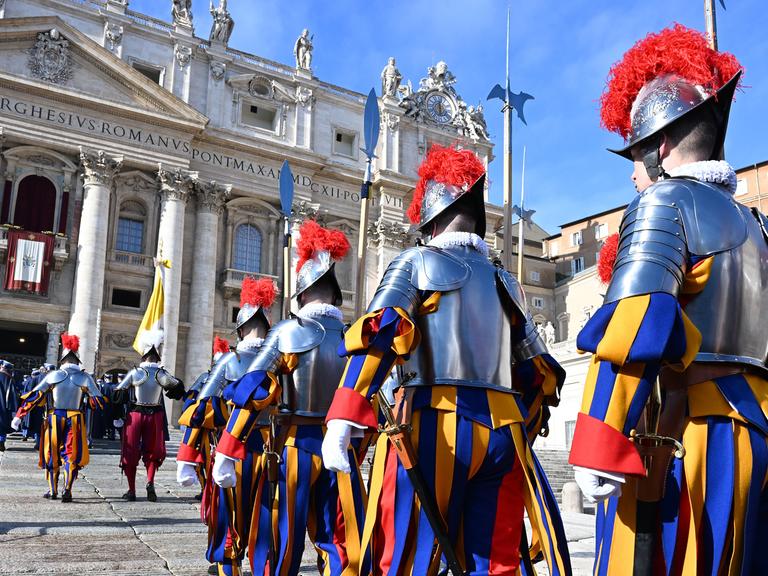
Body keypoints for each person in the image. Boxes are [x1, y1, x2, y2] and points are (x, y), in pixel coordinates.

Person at [568, 24, 767, 575]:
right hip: (759, 431)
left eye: (635, 155)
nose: (633, 174)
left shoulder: (665, 201)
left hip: (694, 437)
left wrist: (601, 435)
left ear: (659, 147)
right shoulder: (759, 226)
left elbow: (638, 323)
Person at [321, 145, 570, 575]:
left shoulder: (415, 261)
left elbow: (381, 334)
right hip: (503, 432)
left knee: (407, 555)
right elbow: (536, 372)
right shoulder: (505, 280)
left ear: (431, 219)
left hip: (432, 423)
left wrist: (344, 415)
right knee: (495, 564)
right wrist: (520, 430)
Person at [212, 221, 368, 576]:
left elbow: (253, 395)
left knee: (283, 538)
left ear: (300, 293)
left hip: (295, 445)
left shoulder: (287, 332)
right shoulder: (352, 337)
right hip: (340, 447)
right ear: (335, 293)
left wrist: (227, 446)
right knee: (338, 540)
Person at [177, 277, 275, 576]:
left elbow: (201, 411)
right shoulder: (280, 360)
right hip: (275, 453)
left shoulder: (229, 361)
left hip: (231, 452)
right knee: (266, 526)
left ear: (242, 329)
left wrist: (187, 456)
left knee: (228, 524)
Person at [12, 334, 104, 502]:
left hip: (55, 417)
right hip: (75, 418)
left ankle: (53, 490)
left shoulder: (53, 376)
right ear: (77, 361)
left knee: (51, 453)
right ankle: (67, 489)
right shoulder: (84, 377)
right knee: (71, 454)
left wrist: (20, 415)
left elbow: (34, 396)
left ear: (62, 361)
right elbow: (98, 401)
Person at [114, 330, 185, 502]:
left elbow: (118, 394)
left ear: (144, 356)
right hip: (155, 415)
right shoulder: (162, 373)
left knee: (130, 450)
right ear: (157, 357)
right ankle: (150, 481)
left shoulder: (135, 372)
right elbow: (178, 388)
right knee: (153, 452)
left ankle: (131, 490)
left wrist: (118, 416)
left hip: (136, 414)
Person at [0, 360, 18, 451]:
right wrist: (14, 408)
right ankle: (1, 442)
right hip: (3, 406)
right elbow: (12, 394)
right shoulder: (9, 378)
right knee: (2, 424)